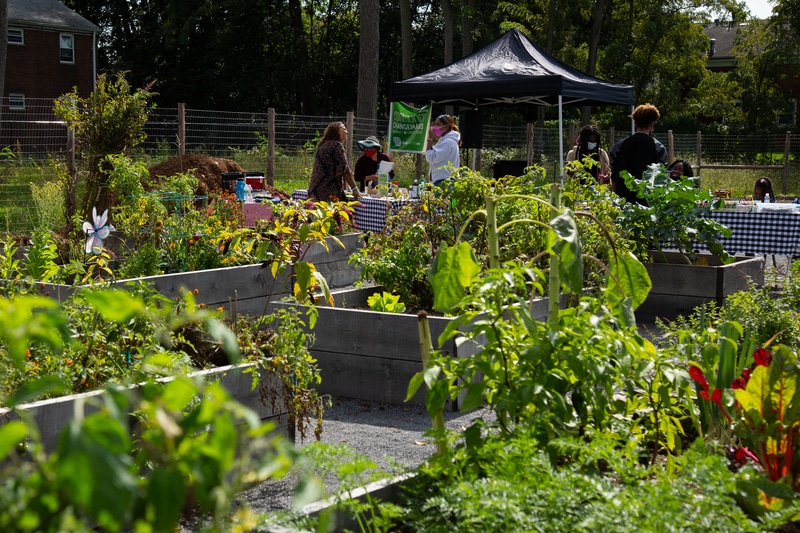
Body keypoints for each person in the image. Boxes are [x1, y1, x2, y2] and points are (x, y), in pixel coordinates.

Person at [609, 103, 667, 204]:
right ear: (652, 124)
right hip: (646, 202)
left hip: (623, 200)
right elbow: (660, 178)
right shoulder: (658, 147)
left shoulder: (620, 145)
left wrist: (615, 199)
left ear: (635, 123)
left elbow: (614, 175)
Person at [308, 121, 360, 201]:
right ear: (338, 131)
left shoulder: (324, 145)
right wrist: (354, 188)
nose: (347, 132)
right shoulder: (336, 145)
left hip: (315, 192)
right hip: (328, 193)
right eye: (344, 129)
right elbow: (344, 170)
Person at [425, 114, 461, 186]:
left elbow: (431, 157)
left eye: (438, 124)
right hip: (444, 180)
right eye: (435, 124)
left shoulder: (447, 142)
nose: (435, 127)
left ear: (447, 126)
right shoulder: (445, 140)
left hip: (443, 181)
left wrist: (430, 139)